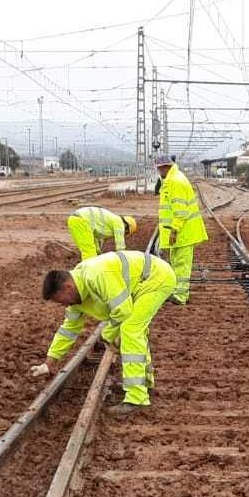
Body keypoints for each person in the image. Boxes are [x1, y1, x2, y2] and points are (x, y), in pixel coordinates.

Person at [32, 251, 176, 417]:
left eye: (60, 300)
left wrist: (107, 335)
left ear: (68, 287)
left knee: (130, 329)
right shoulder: (75, 298)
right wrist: (48, 363)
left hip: (156, 278)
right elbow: (68, 330)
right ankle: (145, 382)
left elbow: (123, 310)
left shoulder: (97, 275)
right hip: (141, 286)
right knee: (133, 329)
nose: (63, 305)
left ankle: (137, 398)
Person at [155, 154, 207, 305]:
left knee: (182, 264)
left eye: (159, 169)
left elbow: (180, 211)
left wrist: (174, 230)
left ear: (165, 167)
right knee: (177, 262)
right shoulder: (172, 179)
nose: (159, 172)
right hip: (181, 232)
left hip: (183, 232)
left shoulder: (175, 182)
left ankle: (181, 295)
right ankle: (177, 291)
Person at [66, 205, 137, 260]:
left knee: (87, 250)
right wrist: (124, 261)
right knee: (90, 253)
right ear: (127, 226)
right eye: (126, 233)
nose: (124, 234)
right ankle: (90, 274)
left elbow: (94, 236)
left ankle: (86, 271)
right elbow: (120, 247)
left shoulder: (111, 221)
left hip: (75, 220)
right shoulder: (119, 223)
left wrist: (98, 252)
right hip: (81, 221)